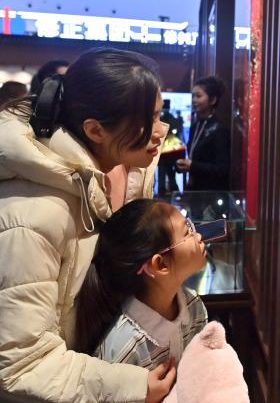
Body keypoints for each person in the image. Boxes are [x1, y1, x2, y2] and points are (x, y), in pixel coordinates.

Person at [0, 48, 173, 402]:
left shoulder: (119, 173)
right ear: (95, 130)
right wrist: (131, 386)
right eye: (149, 119)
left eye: (159, 114)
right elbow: (21, 365)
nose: (161, 132)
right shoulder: (34, 214)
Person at [75, 199, 208, 369]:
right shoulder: (124, 349)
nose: (198, 236)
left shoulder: (193, 306)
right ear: (160, 264)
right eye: (187, 232)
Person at [176, 77, 230, 190]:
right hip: (194, 189)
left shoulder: (220, 129)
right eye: (193, 96)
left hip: (209, 192)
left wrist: (192, 166)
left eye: (198, 96)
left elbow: (222, 169)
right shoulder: (196, 125)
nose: (194, 100)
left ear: (212, 100)